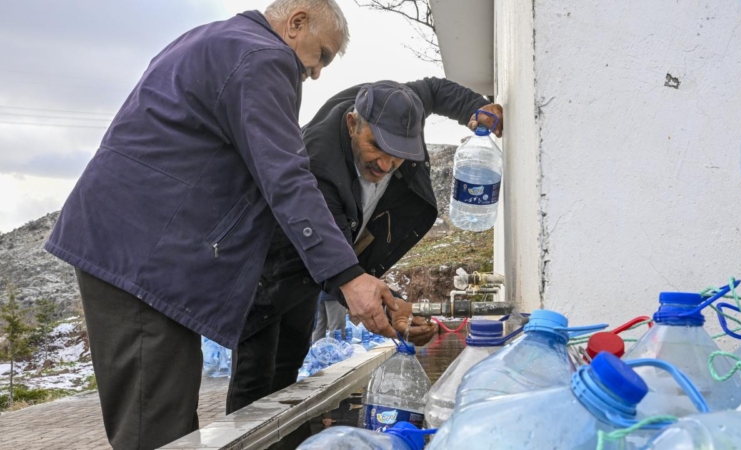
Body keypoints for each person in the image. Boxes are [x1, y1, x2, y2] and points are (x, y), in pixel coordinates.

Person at [44, 2, 406, 449]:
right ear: (296, 23)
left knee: (166, 416)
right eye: (323, 55)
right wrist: (348, 276)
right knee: (156, 429)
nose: (316, 73)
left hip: (135, 250)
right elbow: (286, 177)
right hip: (141, 259)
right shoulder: (264, 58)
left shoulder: (215, 40)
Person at [226, 78, 504, 414]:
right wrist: (390, 308)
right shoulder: (317, 167)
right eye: (376, 147)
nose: (386, 165)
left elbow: (432, 91)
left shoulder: (398, 106)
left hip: (310, 276)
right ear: (352, 123)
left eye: (399, 155)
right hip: (269, 266)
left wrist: (473, 107)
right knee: (256, 379)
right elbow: (337, 258)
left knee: (287, 371)